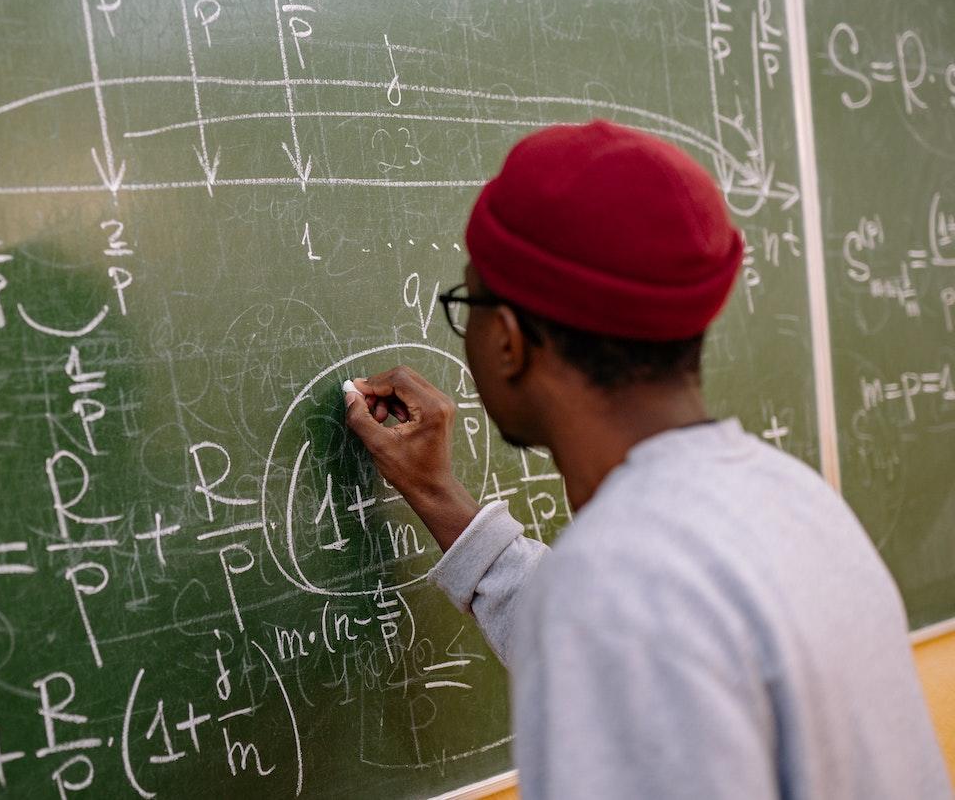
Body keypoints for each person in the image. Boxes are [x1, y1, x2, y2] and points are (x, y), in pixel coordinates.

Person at [342, 121, 951, 799]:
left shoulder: (616, 589)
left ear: (509, 340)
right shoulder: (795, 503)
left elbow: (620, 618)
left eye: (470, 305)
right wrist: (435, 492)